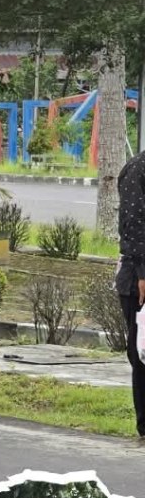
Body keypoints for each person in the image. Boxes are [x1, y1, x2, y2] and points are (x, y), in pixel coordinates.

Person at [116, 149, 145, 439]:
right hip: (138, 277)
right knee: (142, 353)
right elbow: (133, 224)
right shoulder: (138, 169)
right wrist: (142, 272)